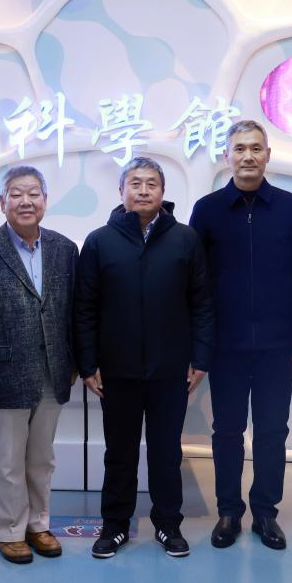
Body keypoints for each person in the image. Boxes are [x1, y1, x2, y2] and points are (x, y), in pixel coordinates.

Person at [74, 156, 215, 558]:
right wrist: (88, 364)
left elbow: (202, 303)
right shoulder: (99, 241)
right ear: (121, 191)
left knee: (166, 453)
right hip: (116, 370)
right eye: (135, 183)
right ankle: (114, 526)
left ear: (163, 192)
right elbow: (84, 307)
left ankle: (168, 525)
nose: (143, 190)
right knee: (119, 453)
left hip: (171, 369)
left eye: (151, 183)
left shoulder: (185, 239)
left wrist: (201, 358)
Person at [189, 119, 292, 550]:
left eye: (256, 148)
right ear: (227, 156)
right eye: (239, 149)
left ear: (268, 155)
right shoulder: (207, 210)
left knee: (274, 431)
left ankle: (266, 512)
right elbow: (195, 282)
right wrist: (200, 344)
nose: (248, 156)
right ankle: (228, 511)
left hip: (279, 345)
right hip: (226, 345)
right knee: (227, 431)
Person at [0, 165, 78, 564]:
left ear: (45, 200)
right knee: (8, 461)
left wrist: (75, 361)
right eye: (16, 194)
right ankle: (9, 530)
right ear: (2, 202)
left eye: (33, 194)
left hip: (53, 369)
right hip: (3, 373)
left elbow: (74, 310)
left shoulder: (65, 249)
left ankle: (38, 525)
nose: (25, 201)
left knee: (41, 458)